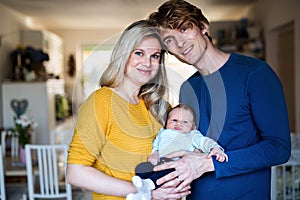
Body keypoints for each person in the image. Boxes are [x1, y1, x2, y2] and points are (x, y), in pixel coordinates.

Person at [146, 0, 291, 199]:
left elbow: (279, 148)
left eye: (184, 29)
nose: (180, 43)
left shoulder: (255, 74)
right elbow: (189, 144)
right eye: (169, 40)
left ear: (203, 26)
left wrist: (208, 163)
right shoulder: (188, 88)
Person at [66, 20, 190, 200]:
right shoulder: (101, 101)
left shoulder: (157, 106)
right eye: (139, 53)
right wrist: (146, 193)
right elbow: (75, 172)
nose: (147, 63)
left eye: (155, 56)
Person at [127, 103, 228, 200]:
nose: (178, 124)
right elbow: (156, 143)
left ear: (193, 127)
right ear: (166, 123)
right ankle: (143, 193)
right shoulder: (163, 132)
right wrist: (154, 153)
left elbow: (205, 142)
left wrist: (214, 148)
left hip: (177, 167)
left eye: (185, 122)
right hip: (158, 164)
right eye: (174, 120)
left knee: (167, 173)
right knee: (142, 168)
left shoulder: (192, 135)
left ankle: (147, 185)